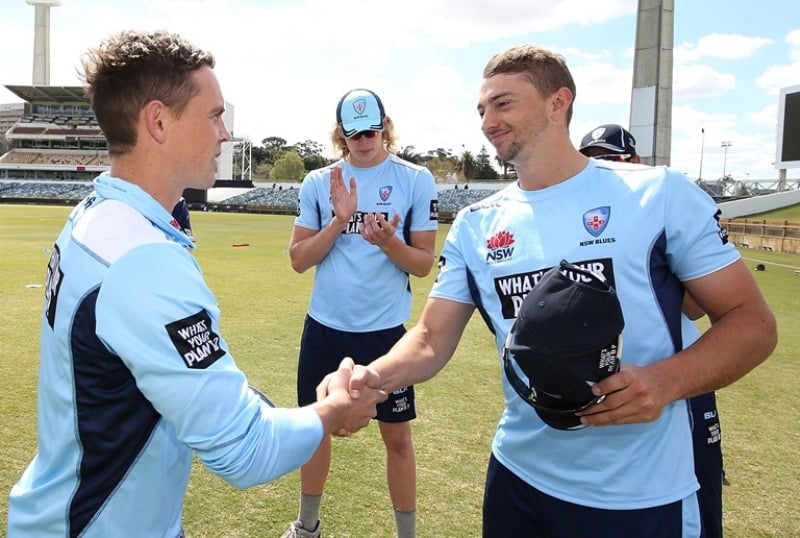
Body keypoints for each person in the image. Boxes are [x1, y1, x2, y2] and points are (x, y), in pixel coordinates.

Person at [335, 44, 777, 537]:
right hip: (517, 480)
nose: (487, 122)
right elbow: (431, 339)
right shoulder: (476, 225)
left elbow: (752, 324)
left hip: (639, 496)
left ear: (557, 102)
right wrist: (370, 379)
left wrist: (667, 381)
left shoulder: (659, 195)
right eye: (482, 109)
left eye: (504, 104)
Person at [6, 30, 385, 538]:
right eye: (213, 115)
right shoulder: (141, 259)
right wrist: (333, 410)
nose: (224, 133)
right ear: (158, 122)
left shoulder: (96, 215)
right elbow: (243, 451)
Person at [284, 88, 439, 538]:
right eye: (353, 134)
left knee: (397, 437)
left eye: (371, 131)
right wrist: (339, 220)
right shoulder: (319, 182)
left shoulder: (414, 179)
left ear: (384, 126)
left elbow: (424, 264)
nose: (364, 141)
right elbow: (298, 259)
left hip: (386, 335)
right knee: (316, 430)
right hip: (326, 328)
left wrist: (389, 242)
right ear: (340, 135)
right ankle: (307, 526)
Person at [579, 123, 725, 538]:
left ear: (635, 162)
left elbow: (700, 307)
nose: (604, 167)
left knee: (696, 494)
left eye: (613, 158)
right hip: (612, 378)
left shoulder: (660, 201)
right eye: (593, 159)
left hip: (677, 376)